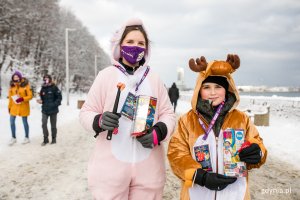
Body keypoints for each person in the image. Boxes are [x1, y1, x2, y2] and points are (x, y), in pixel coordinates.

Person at [79, 18, 176, 199]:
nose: (135, 47)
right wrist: (98, 120)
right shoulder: (106, 76)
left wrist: (159, 131)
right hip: (110, 174)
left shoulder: (153, 78)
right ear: (120, 45)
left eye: (141, 43)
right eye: (130, 42)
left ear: (147, 49)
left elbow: (168, 114)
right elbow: (86, 112)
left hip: (149, 173)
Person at [167, 55, 267, 200]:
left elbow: (258, 144)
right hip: (197, 193)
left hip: (235, 193)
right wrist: (200, 176)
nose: (212, 92)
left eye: (218, 87)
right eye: (206, 87)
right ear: (199, 91)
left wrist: (257, 152)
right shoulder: (187, 120)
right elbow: (176, 153)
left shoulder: (241, 119)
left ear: (227, 90)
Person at [8, 70, 33, 145]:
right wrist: (9, 107)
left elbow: (30, 96)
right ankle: (13, 137)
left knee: (24, 122)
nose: (15, 78)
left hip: (23, 106)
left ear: (20, 77)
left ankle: (27, 137)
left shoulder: (26, 85)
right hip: (14, 107)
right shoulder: (12, 86)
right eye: (14, 77)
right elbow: (10, 98)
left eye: (17, 76)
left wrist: (22, 98)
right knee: (11, 122)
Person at [37, 74, 62, 146]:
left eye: (47, 78)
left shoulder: (54, 87)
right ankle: (45, 139)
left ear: (50, 79)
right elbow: (41, 97)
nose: (46, 79)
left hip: (53, 110)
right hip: (44, 110)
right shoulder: (42, 88)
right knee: (44, 124)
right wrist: (39, 100)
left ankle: (54, 139)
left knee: (53, 126)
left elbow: (59, 98)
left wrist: (54, 104)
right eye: (45, 78)